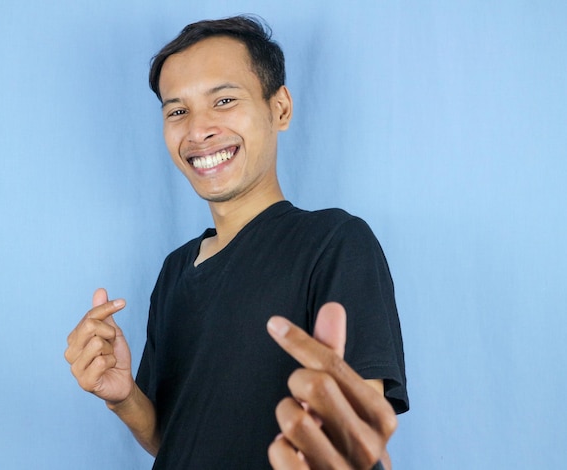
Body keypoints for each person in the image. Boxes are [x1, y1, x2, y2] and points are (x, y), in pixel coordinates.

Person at [65, 15, 408, 469]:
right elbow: (172, 438)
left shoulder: (335, 242)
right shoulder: (175, 270)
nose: (198, 130)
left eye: (224, 100)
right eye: (177, 111)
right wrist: (125, 396)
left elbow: (356, 437)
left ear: (280, 108)